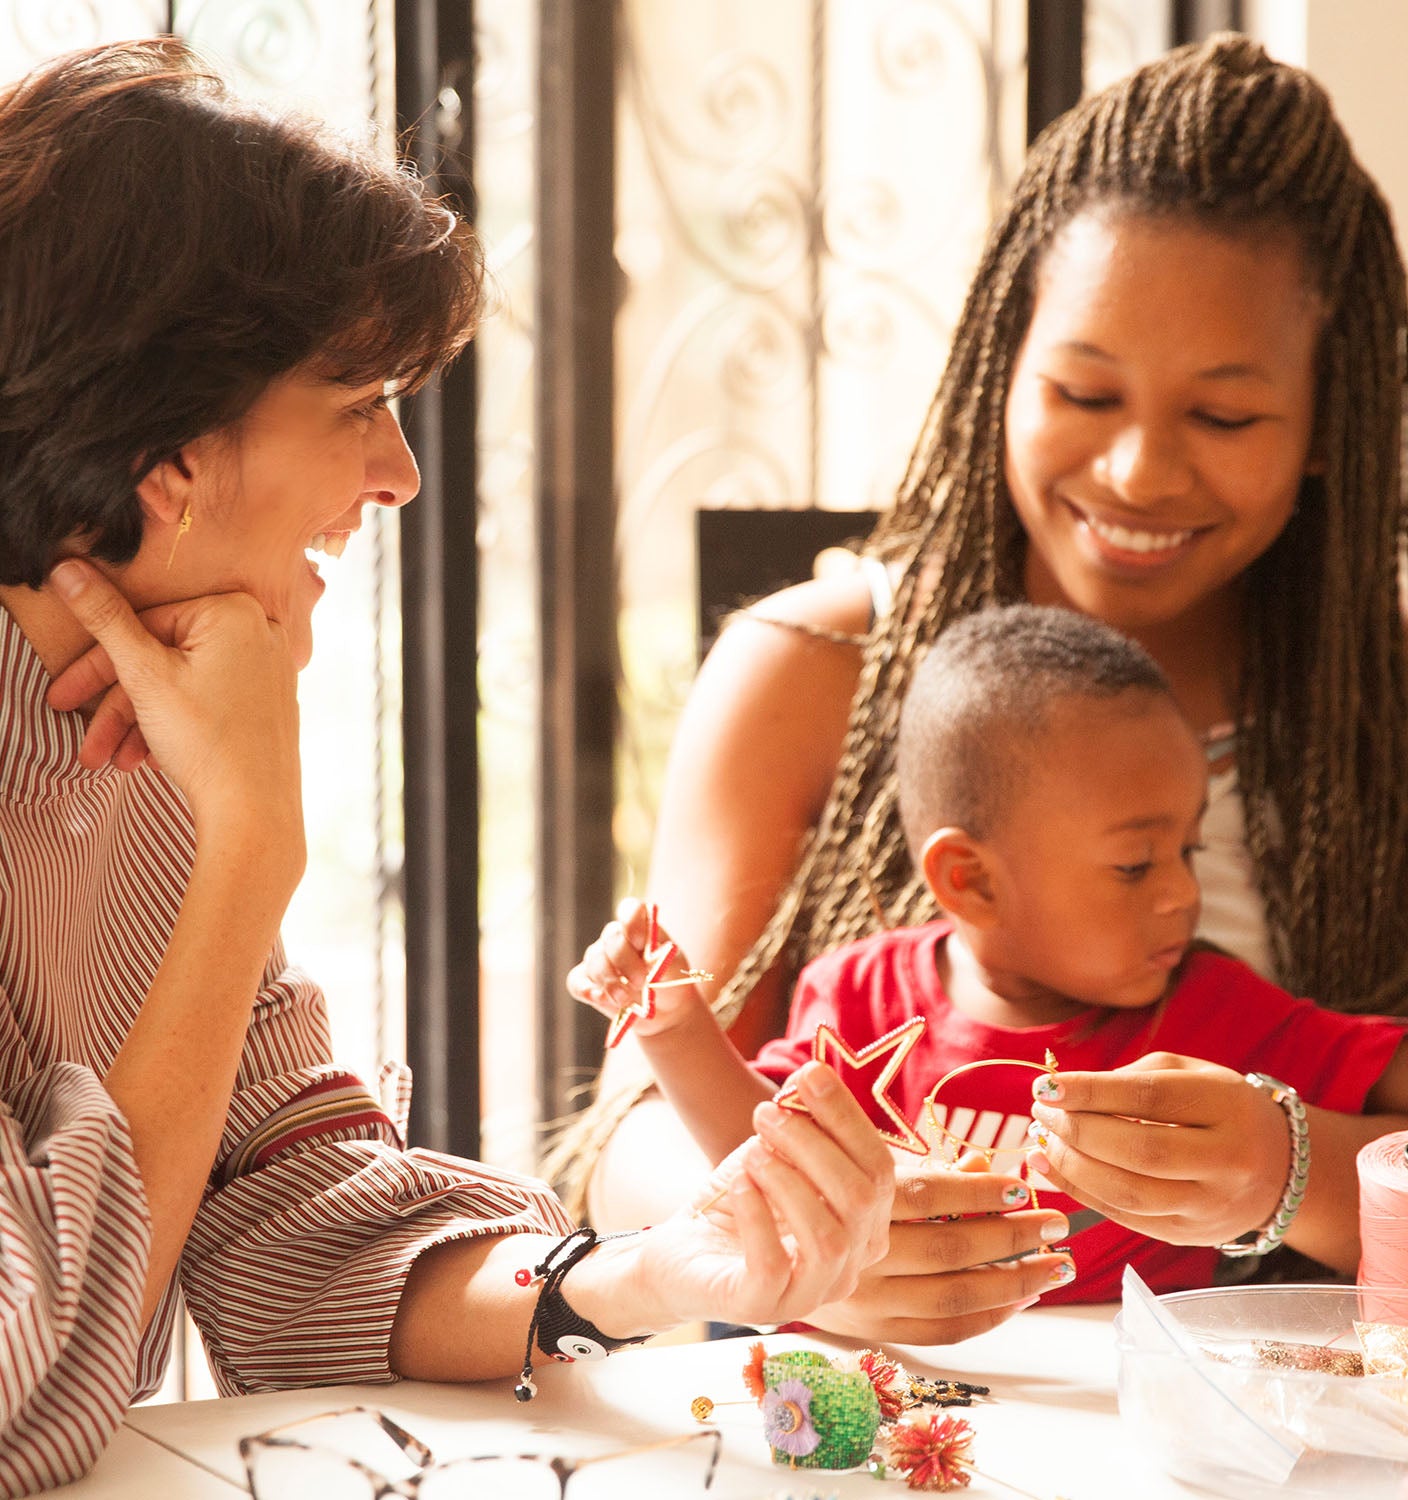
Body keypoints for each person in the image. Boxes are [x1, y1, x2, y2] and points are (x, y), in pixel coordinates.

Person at [0, 40, 895, 1493]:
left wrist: (645, 1273)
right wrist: (252, 858)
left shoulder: (157, 737)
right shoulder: (203, 783)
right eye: (358, 402)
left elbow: (292, 1217)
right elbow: (30, 1387)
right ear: (170, 451)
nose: (402, 475)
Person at [556, 32, 1408, 1342]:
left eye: (1224, 418)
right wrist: (810, 1240)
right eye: (1083, 391)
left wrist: (1291, 1171)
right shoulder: (806, 668)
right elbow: (633, 1143)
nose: (1138, 471)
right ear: (1001, 364)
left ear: (1328, 420)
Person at [572, 604, 1408, 1301]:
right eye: (1136, 865)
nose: (1183, 895)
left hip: (1115, 1413)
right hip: (884, 1408)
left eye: (1189, 850)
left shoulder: (1215, 1010)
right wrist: (676, 1029)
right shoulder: (854, 996)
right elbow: (760, 1161)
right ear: (971, 881)